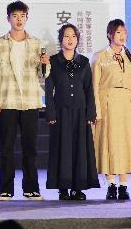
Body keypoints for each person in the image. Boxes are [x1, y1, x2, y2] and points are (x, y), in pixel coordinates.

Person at [0, 1, 49, 201]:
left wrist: (45, 65)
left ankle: (31, 188)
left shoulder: (36, 43)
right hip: (8, 100)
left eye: (22, 16)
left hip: (30, 101)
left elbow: (43, 76)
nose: (19, 19)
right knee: (6, 148)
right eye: (15, 16)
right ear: (8, 19)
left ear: (27, 18)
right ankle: (5, 189)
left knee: (30, 148)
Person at [91, 18, 131, 200]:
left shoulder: (130, 57)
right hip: (107, 104)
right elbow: (94, 86)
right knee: (109, 144)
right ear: (109, 35)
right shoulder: (99, 56)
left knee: (125, 145)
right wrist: (96, 110)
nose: (122, 36)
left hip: (126, 106)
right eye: (118, 32)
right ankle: (111, 185)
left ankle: (123, 186)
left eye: (124, 32)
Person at [45, 24, 99, 200]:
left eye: (73, 36)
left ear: (78, 40)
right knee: (61, 148)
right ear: (61, 39)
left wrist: (91, 113)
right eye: (66, 36)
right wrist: (50, 112)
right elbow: (48, 89)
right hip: (60, 111)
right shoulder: (53, 61)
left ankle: (78, 188)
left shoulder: (83, 61)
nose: (70, 40)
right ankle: (63, 188)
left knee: (79, 149)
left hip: (80, 112)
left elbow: (89, 89)